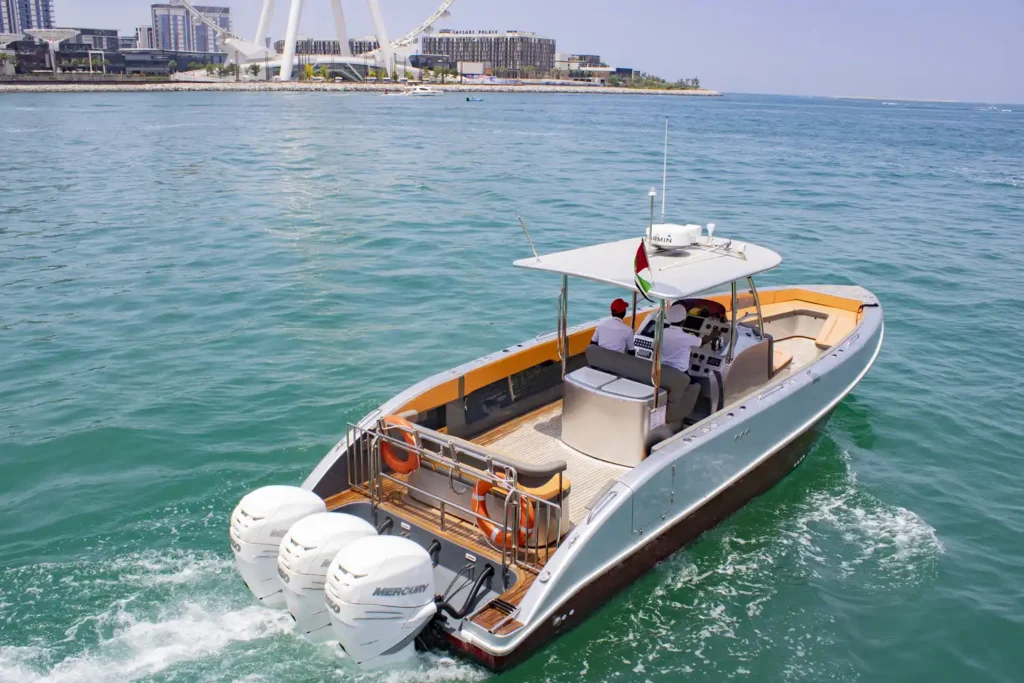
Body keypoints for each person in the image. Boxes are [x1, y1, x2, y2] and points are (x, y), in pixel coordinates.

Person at [660, 303, 703, 371]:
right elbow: (702, 342)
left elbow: (654, 347)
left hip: (661, 368)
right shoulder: (686, 337)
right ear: (683, 321)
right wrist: (713, 335)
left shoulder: (662, 332)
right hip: (679, 372)